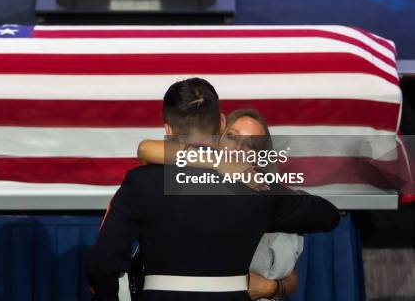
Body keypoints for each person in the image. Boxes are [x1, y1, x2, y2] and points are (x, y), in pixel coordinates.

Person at [86, 77, 339, 300]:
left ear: (168, 130)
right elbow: (328, 215)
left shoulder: (140, 182)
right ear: (221, 123)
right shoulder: (256, 188)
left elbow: (102, 264)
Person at [136, 108, 300, 300]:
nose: (238, 148)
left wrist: (271, 288)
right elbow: (146, 149)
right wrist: (215, 163)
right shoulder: (191, 184)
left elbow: (290, 277)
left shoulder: (271, 198)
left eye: (251, 145)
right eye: (231, 137)